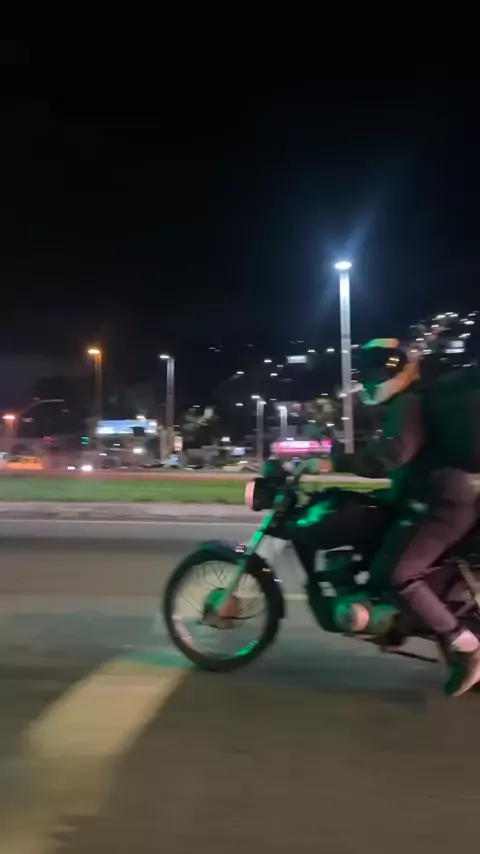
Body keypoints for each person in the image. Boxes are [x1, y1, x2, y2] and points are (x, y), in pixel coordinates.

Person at [343, 337, 480, 697]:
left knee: (401, 573)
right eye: (366, 369)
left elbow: (390, 456)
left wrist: (334, 461)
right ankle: (398, 623)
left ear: (403, 366)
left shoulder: (410, 401)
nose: (370, 378)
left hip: (446, 502)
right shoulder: (415, 400)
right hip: (436, 496)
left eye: (379, 367)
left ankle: (468, 647)